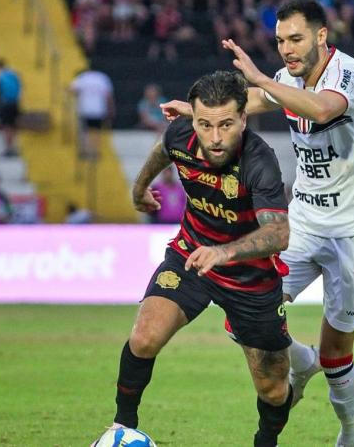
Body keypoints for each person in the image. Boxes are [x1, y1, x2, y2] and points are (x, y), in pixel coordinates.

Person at [161, 0, 354, 445]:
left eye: (296, 39)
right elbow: (253, 101)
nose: (286, 48)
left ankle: (350, 433)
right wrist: (197, 114)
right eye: (281, 40)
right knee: (242, 317)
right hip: (302, 221)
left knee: (337, 354)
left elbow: (322, 109)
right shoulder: (284, 79)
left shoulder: (348, 75)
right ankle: (300, 360)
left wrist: (263, 79)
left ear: (321, 37)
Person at [94, 71, 293, 447]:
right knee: (145, 336)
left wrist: (223, 252)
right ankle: (122, 429)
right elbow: (163, 151)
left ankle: (265, 442)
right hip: (190, 256)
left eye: (225, 125)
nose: (215, 137)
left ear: (243, 119)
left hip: (250, 277)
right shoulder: (180, 135)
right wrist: (139, 189)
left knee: (274, 387)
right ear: (194, 119)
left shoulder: (259, 161)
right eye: (204, 124)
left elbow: (278, 234)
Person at [69, 67, 114, 160]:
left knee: (84, 131)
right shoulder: (102, 78)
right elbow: (108, 96)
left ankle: (85, 151)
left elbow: (72, 89)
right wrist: (111, 110)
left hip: (85, 109)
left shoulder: (82, 78)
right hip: (98, 109)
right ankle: (95, 151)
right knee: (97, 131)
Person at [0, 59, 21, 157]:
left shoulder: (0, 76)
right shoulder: (13, 74)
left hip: (6, 104)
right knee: (14, 126)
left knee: (6, 127)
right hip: (15, 103)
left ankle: (8, 148)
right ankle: (14, 147)